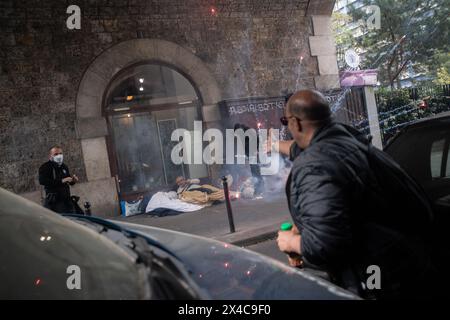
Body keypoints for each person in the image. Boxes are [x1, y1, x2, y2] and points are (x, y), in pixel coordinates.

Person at [276, 89, 437, 299]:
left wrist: (292, 242)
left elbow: (325, 244)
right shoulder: (346, 140)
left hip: (379, 275)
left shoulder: (315, 164)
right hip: (405, 261)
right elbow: (299, 149)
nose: (287, 126)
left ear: (296, 123)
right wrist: (271, 145)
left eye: (285, 121)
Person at [39, 146, 79, 213]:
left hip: (66, 200)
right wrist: (61, 181)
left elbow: (68, 181)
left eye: (60, 153)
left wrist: (73, 180)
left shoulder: (64, 166)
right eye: (56, 154)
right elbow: (42, 181)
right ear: (50, 156)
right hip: (55, 202)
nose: (59, 156)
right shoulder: (45, 167)